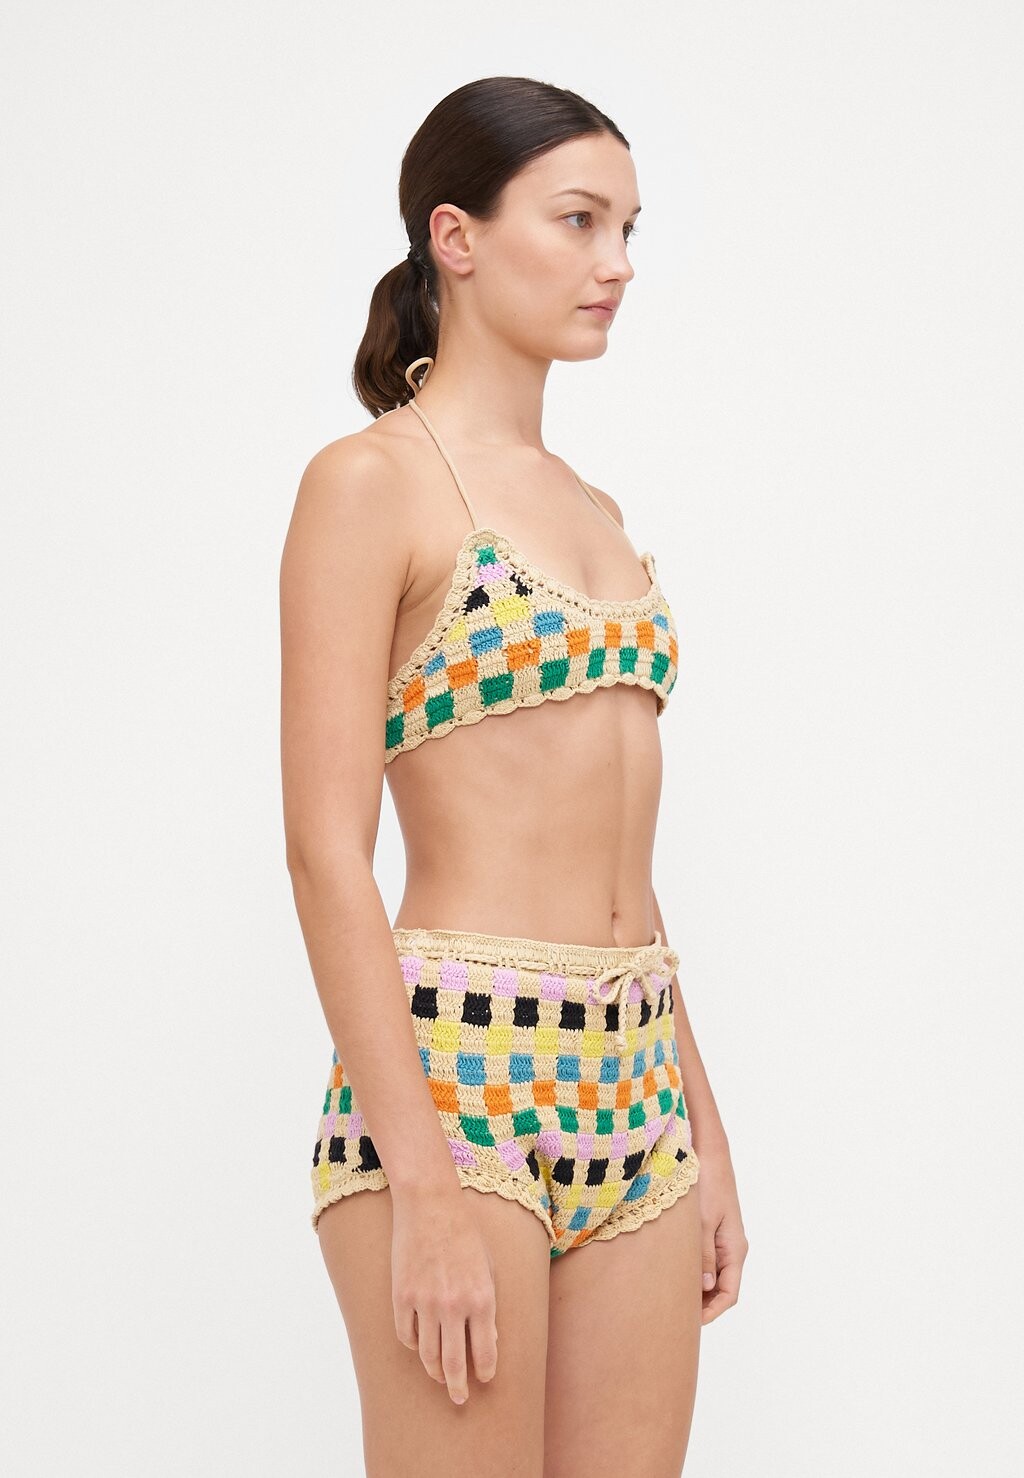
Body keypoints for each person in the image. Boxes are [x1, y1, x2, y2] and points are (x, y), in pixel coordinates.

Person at [280, 75, 747, 1477]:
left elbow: (620, 860)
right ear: (457, 236)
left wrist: (700, 1122)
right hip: (456, 1078)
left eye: (629, 230)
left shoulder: (595, 508)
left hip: (635, 1081)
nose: (618, 265)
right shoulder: (371, 483)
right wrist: (420, 1187)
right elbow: (323, 849)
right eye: (581, 220)